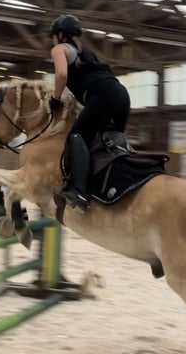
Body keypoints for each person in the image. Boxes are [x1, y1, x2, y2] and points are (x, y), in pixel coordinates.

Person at [48, 14, 131, 210]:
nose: (52, 41)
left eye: (52, 36)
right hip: (121, 96)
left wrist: (55, 98)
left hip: (103, 95)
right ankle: (113, 184)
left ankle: (80, 191)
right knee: (108, 141)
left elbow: (61, 74)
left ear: (60, 35)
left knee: (77, 135)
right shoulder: (87, 54)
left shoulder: (59, 49)